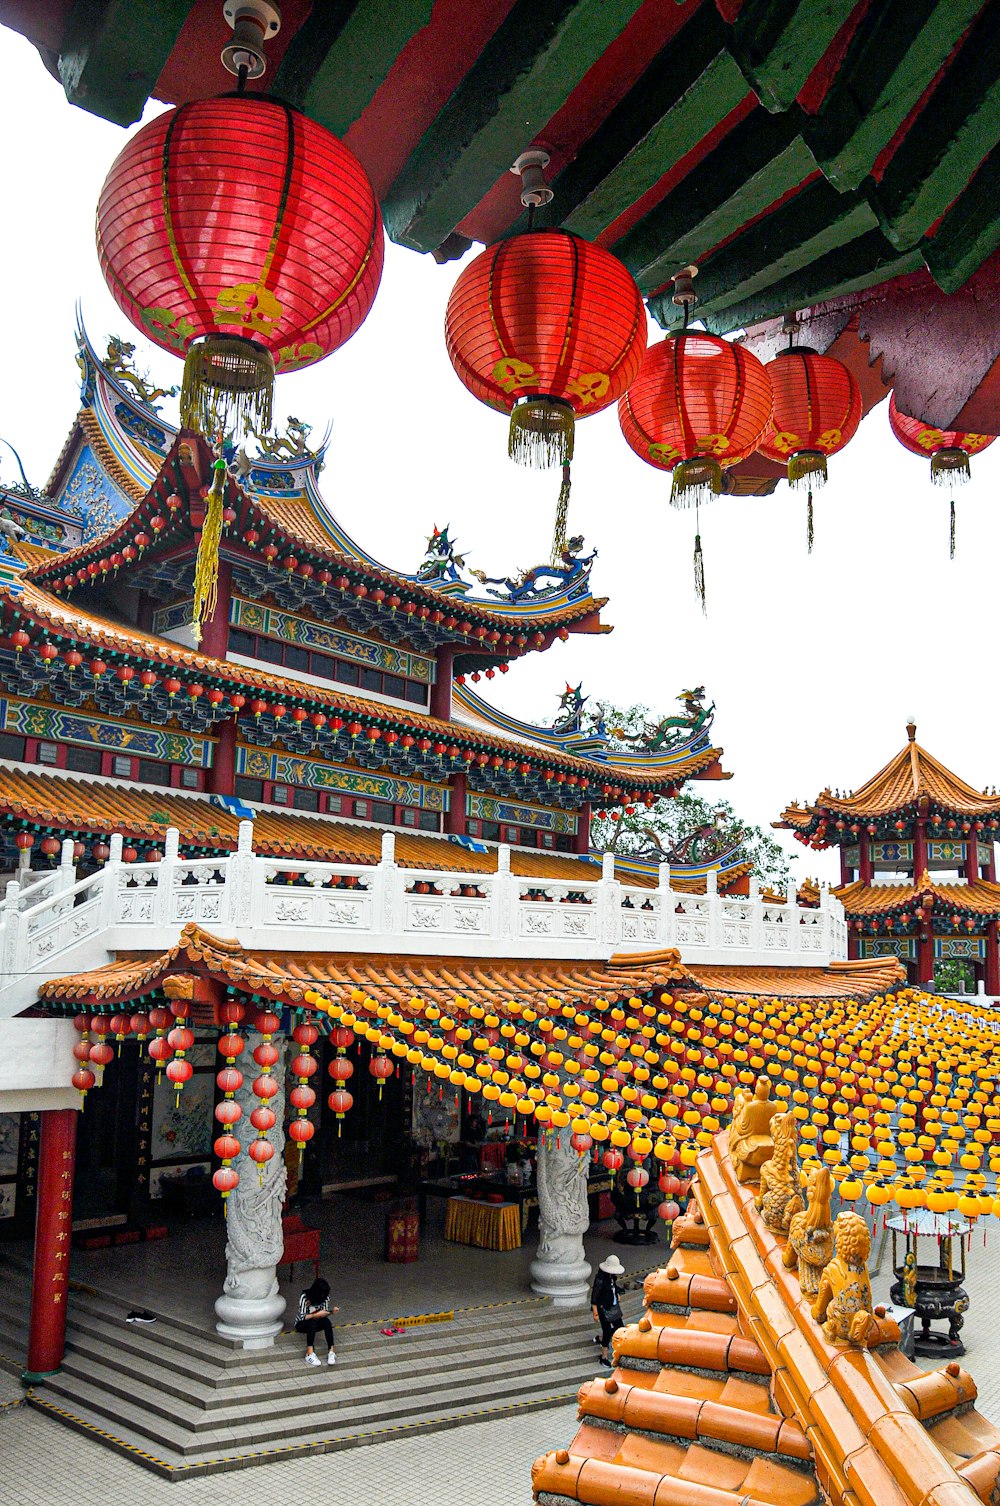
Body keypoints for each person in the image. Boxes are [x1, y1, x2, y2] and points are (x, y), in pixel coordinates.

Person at [295, 1276, 339, 1366]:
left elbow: (324, 1313)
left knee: (327, 1322)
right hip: (302, 1323)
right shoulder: (305, 1297)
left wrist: (331, 1312)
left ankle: (331, 1350)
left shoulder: (325, 1298)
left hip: (316, 1321)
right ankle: (309, 1353)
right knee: (312, 1322)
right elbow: (302, 1316)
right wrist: (315, 1315)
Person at [591, 1254, 625, 1369]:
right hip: (603, 1308)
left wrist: (617, 1293)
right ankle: (603, 1357)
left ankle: (600, 1339)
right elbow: (594, 1296)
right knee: (607, 1331)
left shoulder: (612, 1277)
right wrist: (595, 1312)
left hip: (613, 1306)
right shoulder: (600, 1280)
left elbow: (613, 1287)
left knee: (619, 1327)